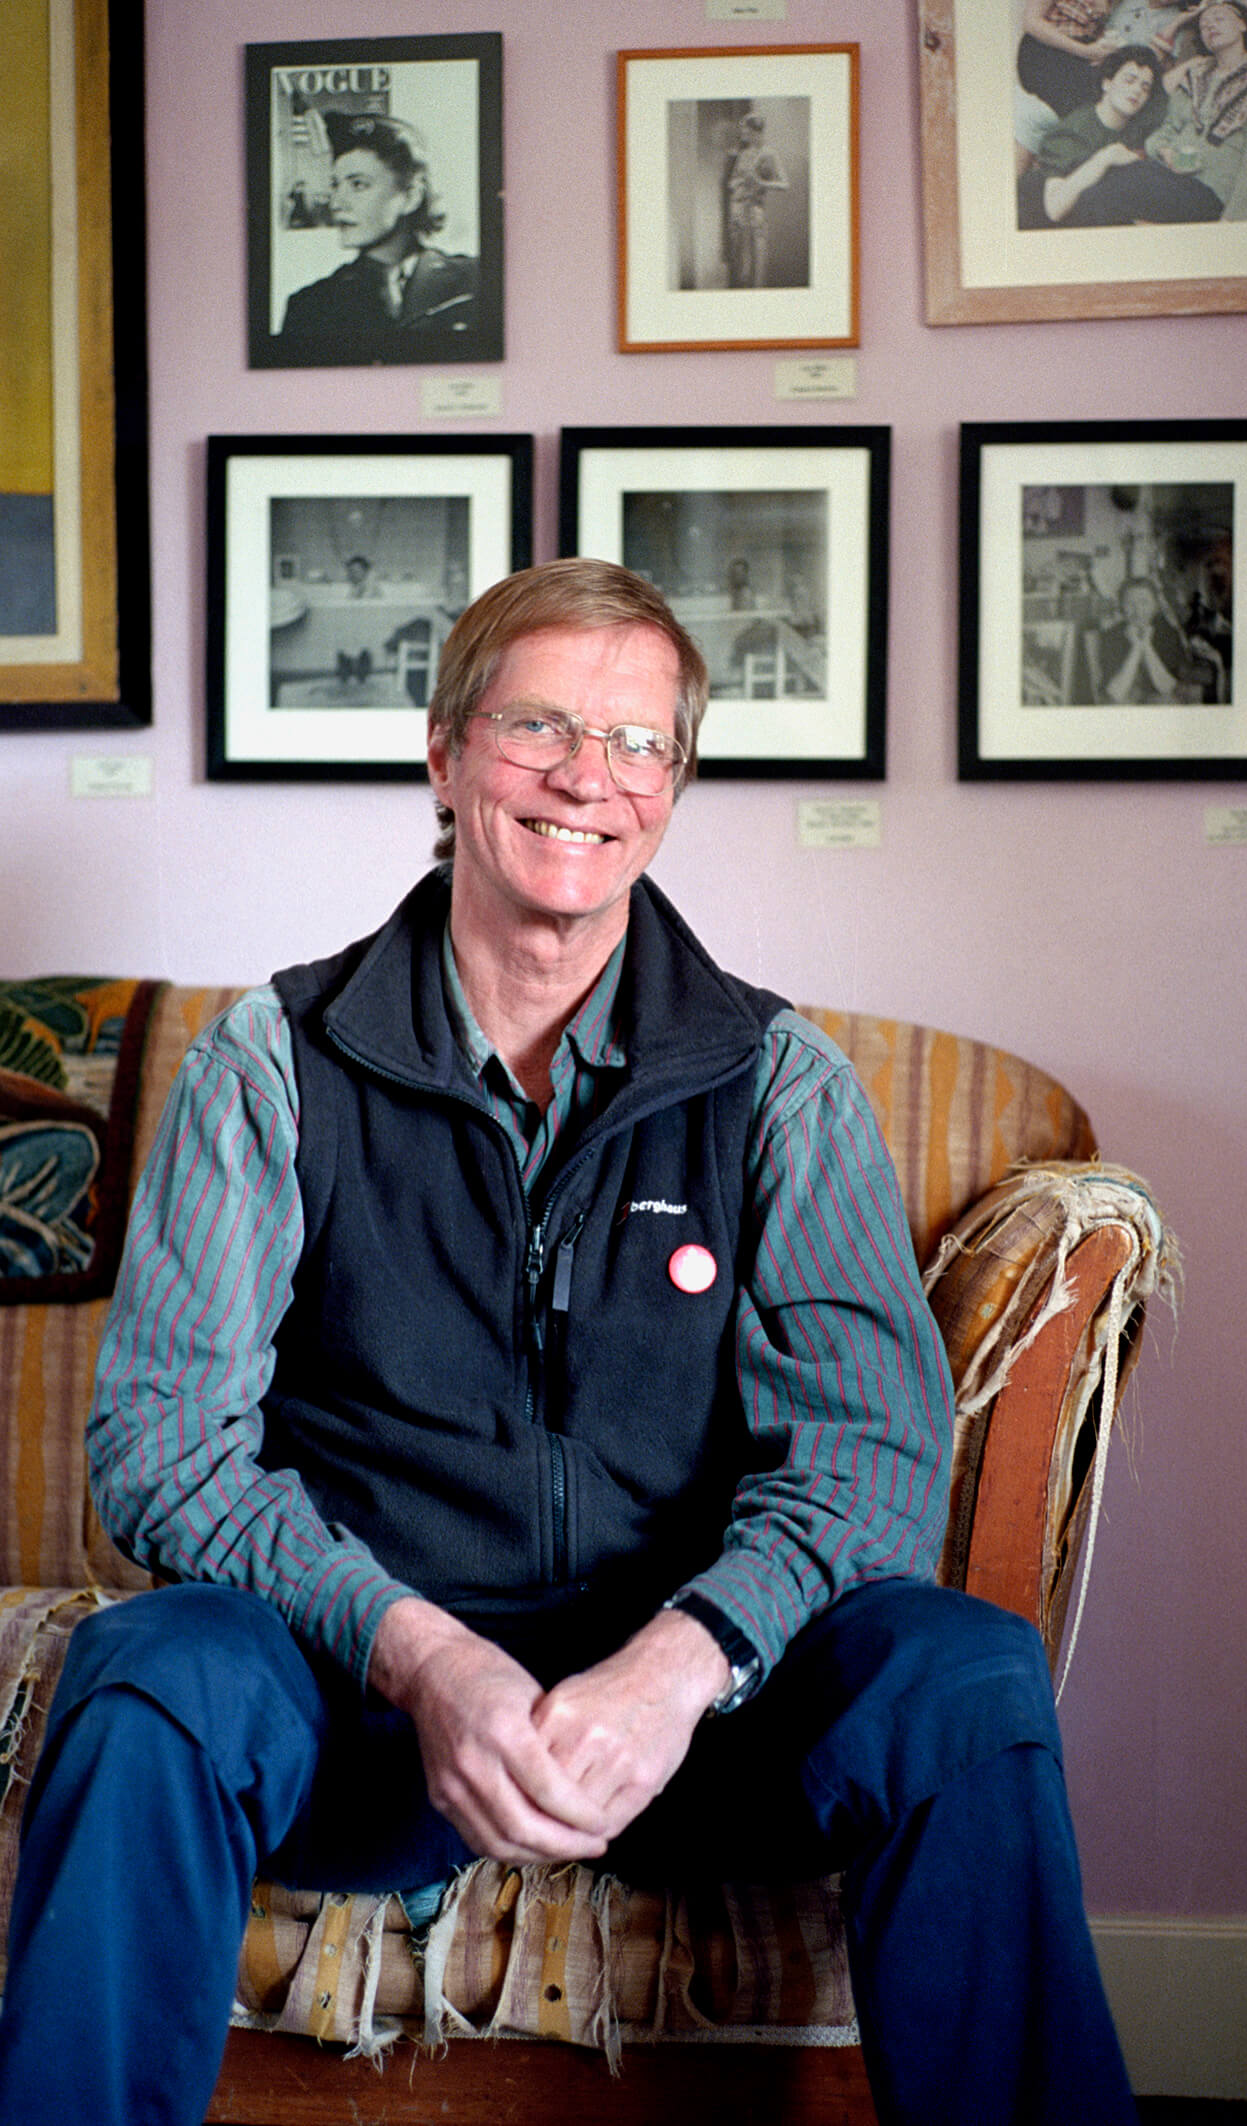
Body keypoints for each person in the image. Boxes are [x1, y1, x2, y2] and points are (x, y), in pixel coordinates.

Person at [0, 560, 1139, 2126]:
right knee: (149, 1671)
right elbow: (163, 1451)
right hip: (363, 1703)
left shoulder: (778, 1081)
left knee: (962, 1671)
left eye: (637, 740)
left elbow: (872, 1457)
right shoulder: (269, 1063)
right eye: (538, 725)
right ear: (446, 752)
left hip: (703, 1720)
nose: (586, 775)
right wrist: (425, 1656)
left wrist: (676, 1670)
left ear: (674, 783)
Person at [279, 113, 483, 348]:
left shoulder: (476, 279)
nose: (336, 203)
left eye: (358, 184)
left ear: (411, 197)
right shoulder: (309, 305)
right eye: (335, 185)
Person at [1019, 46, 1224, 225]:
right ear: (1107, 83)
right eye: (1129, 80)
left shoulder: (1139, 117)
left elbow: (1165, 87)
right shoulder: (1071, 133)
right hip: (1044, 218)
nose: (1137, 90)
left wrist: (1195, 62)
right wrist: (1106, 158)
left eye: (1144, 87)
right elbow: (1054, 209)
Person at [1143, 1, 1247, 223]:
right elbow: (1165, 130)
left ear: (1243, 25)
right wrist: (1166, 152)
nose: (1210, 25)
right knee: (1115, 173)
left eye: (1219, 18)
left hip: (1208, 195)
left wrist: (1230, 223)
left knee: (1116, 182)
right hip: (1165, 175)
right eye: (1203, 25)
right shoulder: (1195, 76)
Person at [722, 112, 789, 289]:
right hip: (737, 209)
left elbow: (784, 184)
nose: (744, 135)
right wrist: (737, 183)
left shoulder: (769, 154)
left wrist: (760, 183)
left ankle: (757, 294)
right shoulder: (744, 154)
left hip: (754, 209)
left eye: (747, 131)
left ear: (756, 132)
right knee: (738, 258)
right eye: (743, 131)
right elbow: (732, 181)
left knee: (756, 258)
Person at [1097, 577, 1189, 701]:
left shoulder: (1168, 634)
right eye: (1130, 603)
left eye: (1144, 602)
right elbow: (1116, 693)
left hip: (1159, 699)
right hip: (1124, 701)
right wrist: (1136, 647)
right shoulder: (1111, 636)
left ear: (1155, 606)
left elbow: (1167, 688)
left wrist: (1146, 645)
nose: (1138, 610)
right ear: (1121, 606)